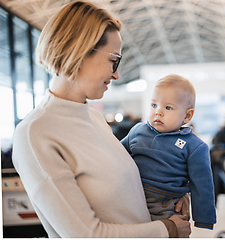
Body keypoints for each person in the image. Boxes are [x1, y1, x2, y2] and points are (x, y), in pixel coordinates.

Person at [11, 1, 191, 238]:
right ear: (80, 51)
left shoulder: (93, 117)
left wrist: (170, 194)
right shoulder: (35, 135)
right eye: (113, 60)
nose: (116, 74)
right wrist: (166, 229)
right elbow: (86, 235)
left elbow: (125, 199)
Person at [121, 74, 217, 230]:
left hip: (165, 205)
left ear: (187, 116)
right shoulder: (137, 131)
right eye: (154, 105)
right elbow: (116, 153)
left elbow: (202, 185)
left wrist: (204, 218)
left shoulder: (194, 146)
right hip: (131, 199)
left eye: (168, 107)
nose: (158, 112)